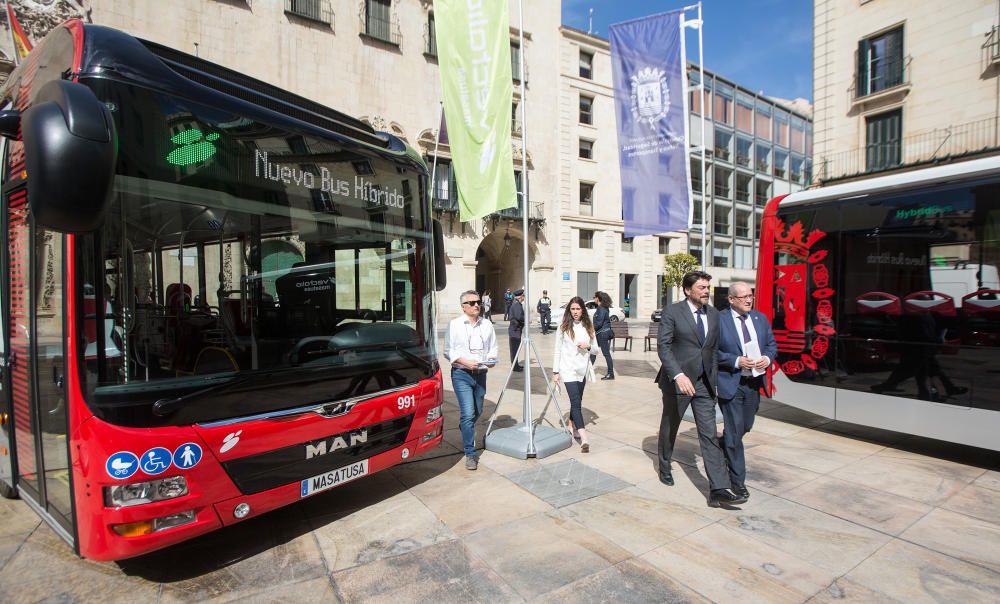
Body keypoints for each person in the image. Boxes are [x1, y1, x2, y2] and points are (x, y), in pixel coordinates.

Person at [654, 271, 746, 507]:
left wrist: (713, 378)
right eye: (702, 287)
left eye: (708, 287)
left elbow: (712, 350)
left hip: (704, 384)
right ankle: (664, 465)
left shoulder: (714, 314)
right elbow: (664, 347)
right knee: (670, 427)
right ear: (688, 290)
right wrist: (678, 374)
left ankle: (718, 488)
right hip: (679, 382)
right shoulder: (673, 311)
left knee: (709, 434)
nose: (707, 291)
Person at [716, 282, 776, 501]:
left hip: (753, 384)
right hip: (731, 383)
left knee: (745, 426)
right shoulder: (719, 320)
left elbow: (771, 345)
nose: (749, 300)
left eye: (750, 296)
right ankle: (738, 482)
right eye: (743, 297)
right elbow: (711, 352)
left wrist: (767, 359)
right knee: (734, 433)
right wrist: (735, 360)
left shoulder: (759, 318)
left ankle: (724, 444)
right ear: (731, 300)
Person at [444, 290, 498, 470]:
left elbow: (493, 348)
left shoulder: (487, 324)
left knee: (478, 410)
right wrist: (466, 362)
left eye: (478, 302)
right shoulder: (455, 325)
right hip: (461, 374)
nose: (477, 305)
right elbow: (448, 351)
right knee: (467, 413)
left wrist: (491, 360)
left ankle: (465, 426)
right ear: (463, 307)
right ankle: (470, 453)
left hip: (481, 374)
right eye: (473, 302)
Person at [552, 297, 598, 452]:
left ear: (582, 310)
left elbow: (596, 349)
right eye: (573, 309)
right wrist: (555, 371)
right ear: (569, 310)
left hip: (582, 368)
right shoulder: (563, 326)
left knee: (577, 399)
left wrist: (588, 346)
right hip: (567, 368)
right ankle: (584, 438)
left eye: (578, 309)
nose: (575, 312)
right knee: (575, 400)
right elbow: (557, 349)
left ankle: (572, 424)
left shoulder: (588, 326)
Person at [591, 291, 615, 380]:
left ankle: (610, 373)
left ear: (598, 298)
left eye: (594, 296)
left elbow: (599, 323)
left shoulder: (601, 308)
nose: (593, 298)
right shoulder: (603, 308)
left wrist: (590, 328)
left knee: (606, 354)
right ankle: (587, 370)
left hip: (602, 334)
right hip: (602, 333)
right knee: (593, 352)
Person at [508, 288, 526, 371]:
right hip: (515, 330)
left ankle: (516, 365)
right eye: (523, 296)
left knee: (515, 349)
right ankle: (515, 367)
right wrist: (526, 320)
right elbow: (519, 317)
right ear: (520, 297)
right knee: (515, 349)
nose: (524, 298)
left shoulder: (516, 303)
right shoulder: (517, 304)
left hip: (515, 330)